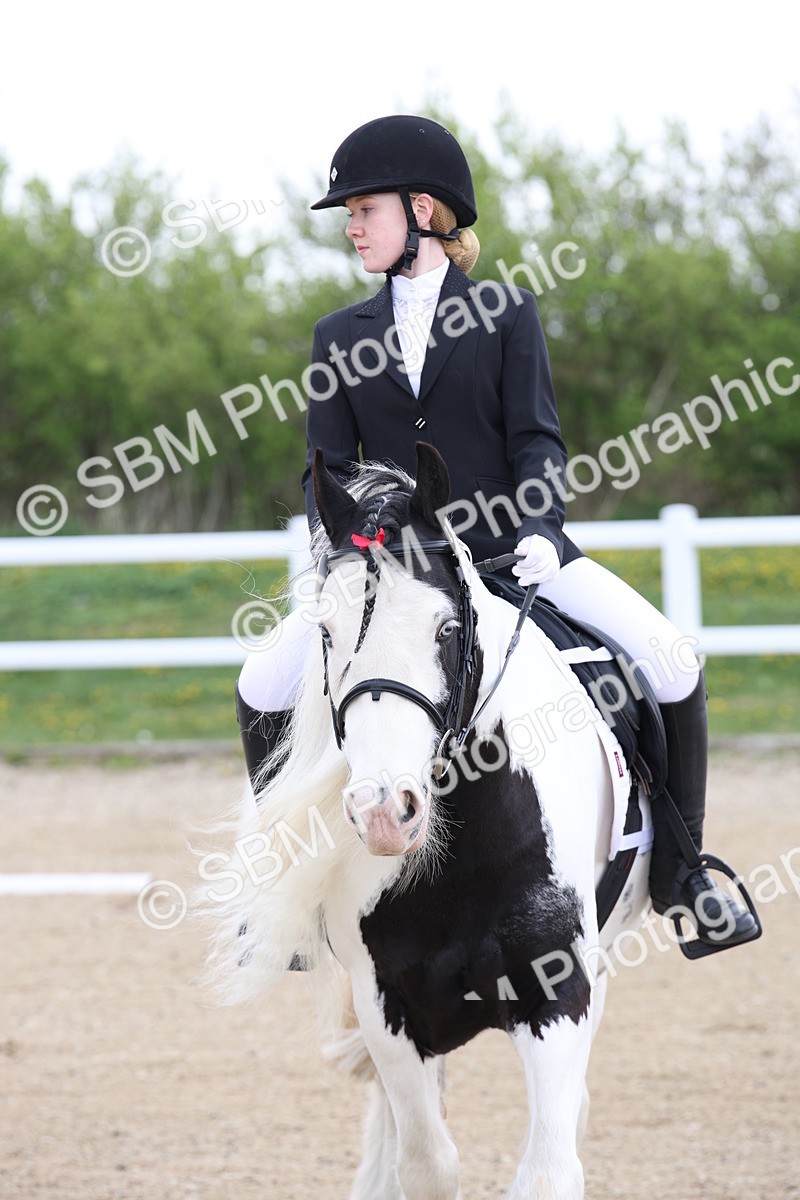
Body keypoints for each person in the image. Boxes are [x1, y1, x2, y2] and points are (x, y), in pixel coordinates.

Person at [236, 114, 758, 951]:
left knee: (670, 660)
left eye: (365, 208)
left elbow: (536, 439)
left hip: (513, 557)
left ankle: (684, 874)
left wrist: (544, 528)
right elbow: (324, 468)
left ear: (424, 210)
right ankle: (286, 899)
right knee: (263, 684)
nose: (351, 226)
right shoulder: (340, 335)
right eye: (350, 213)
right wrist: (340, 561)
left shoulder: (508, 314)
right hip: (392, 577)